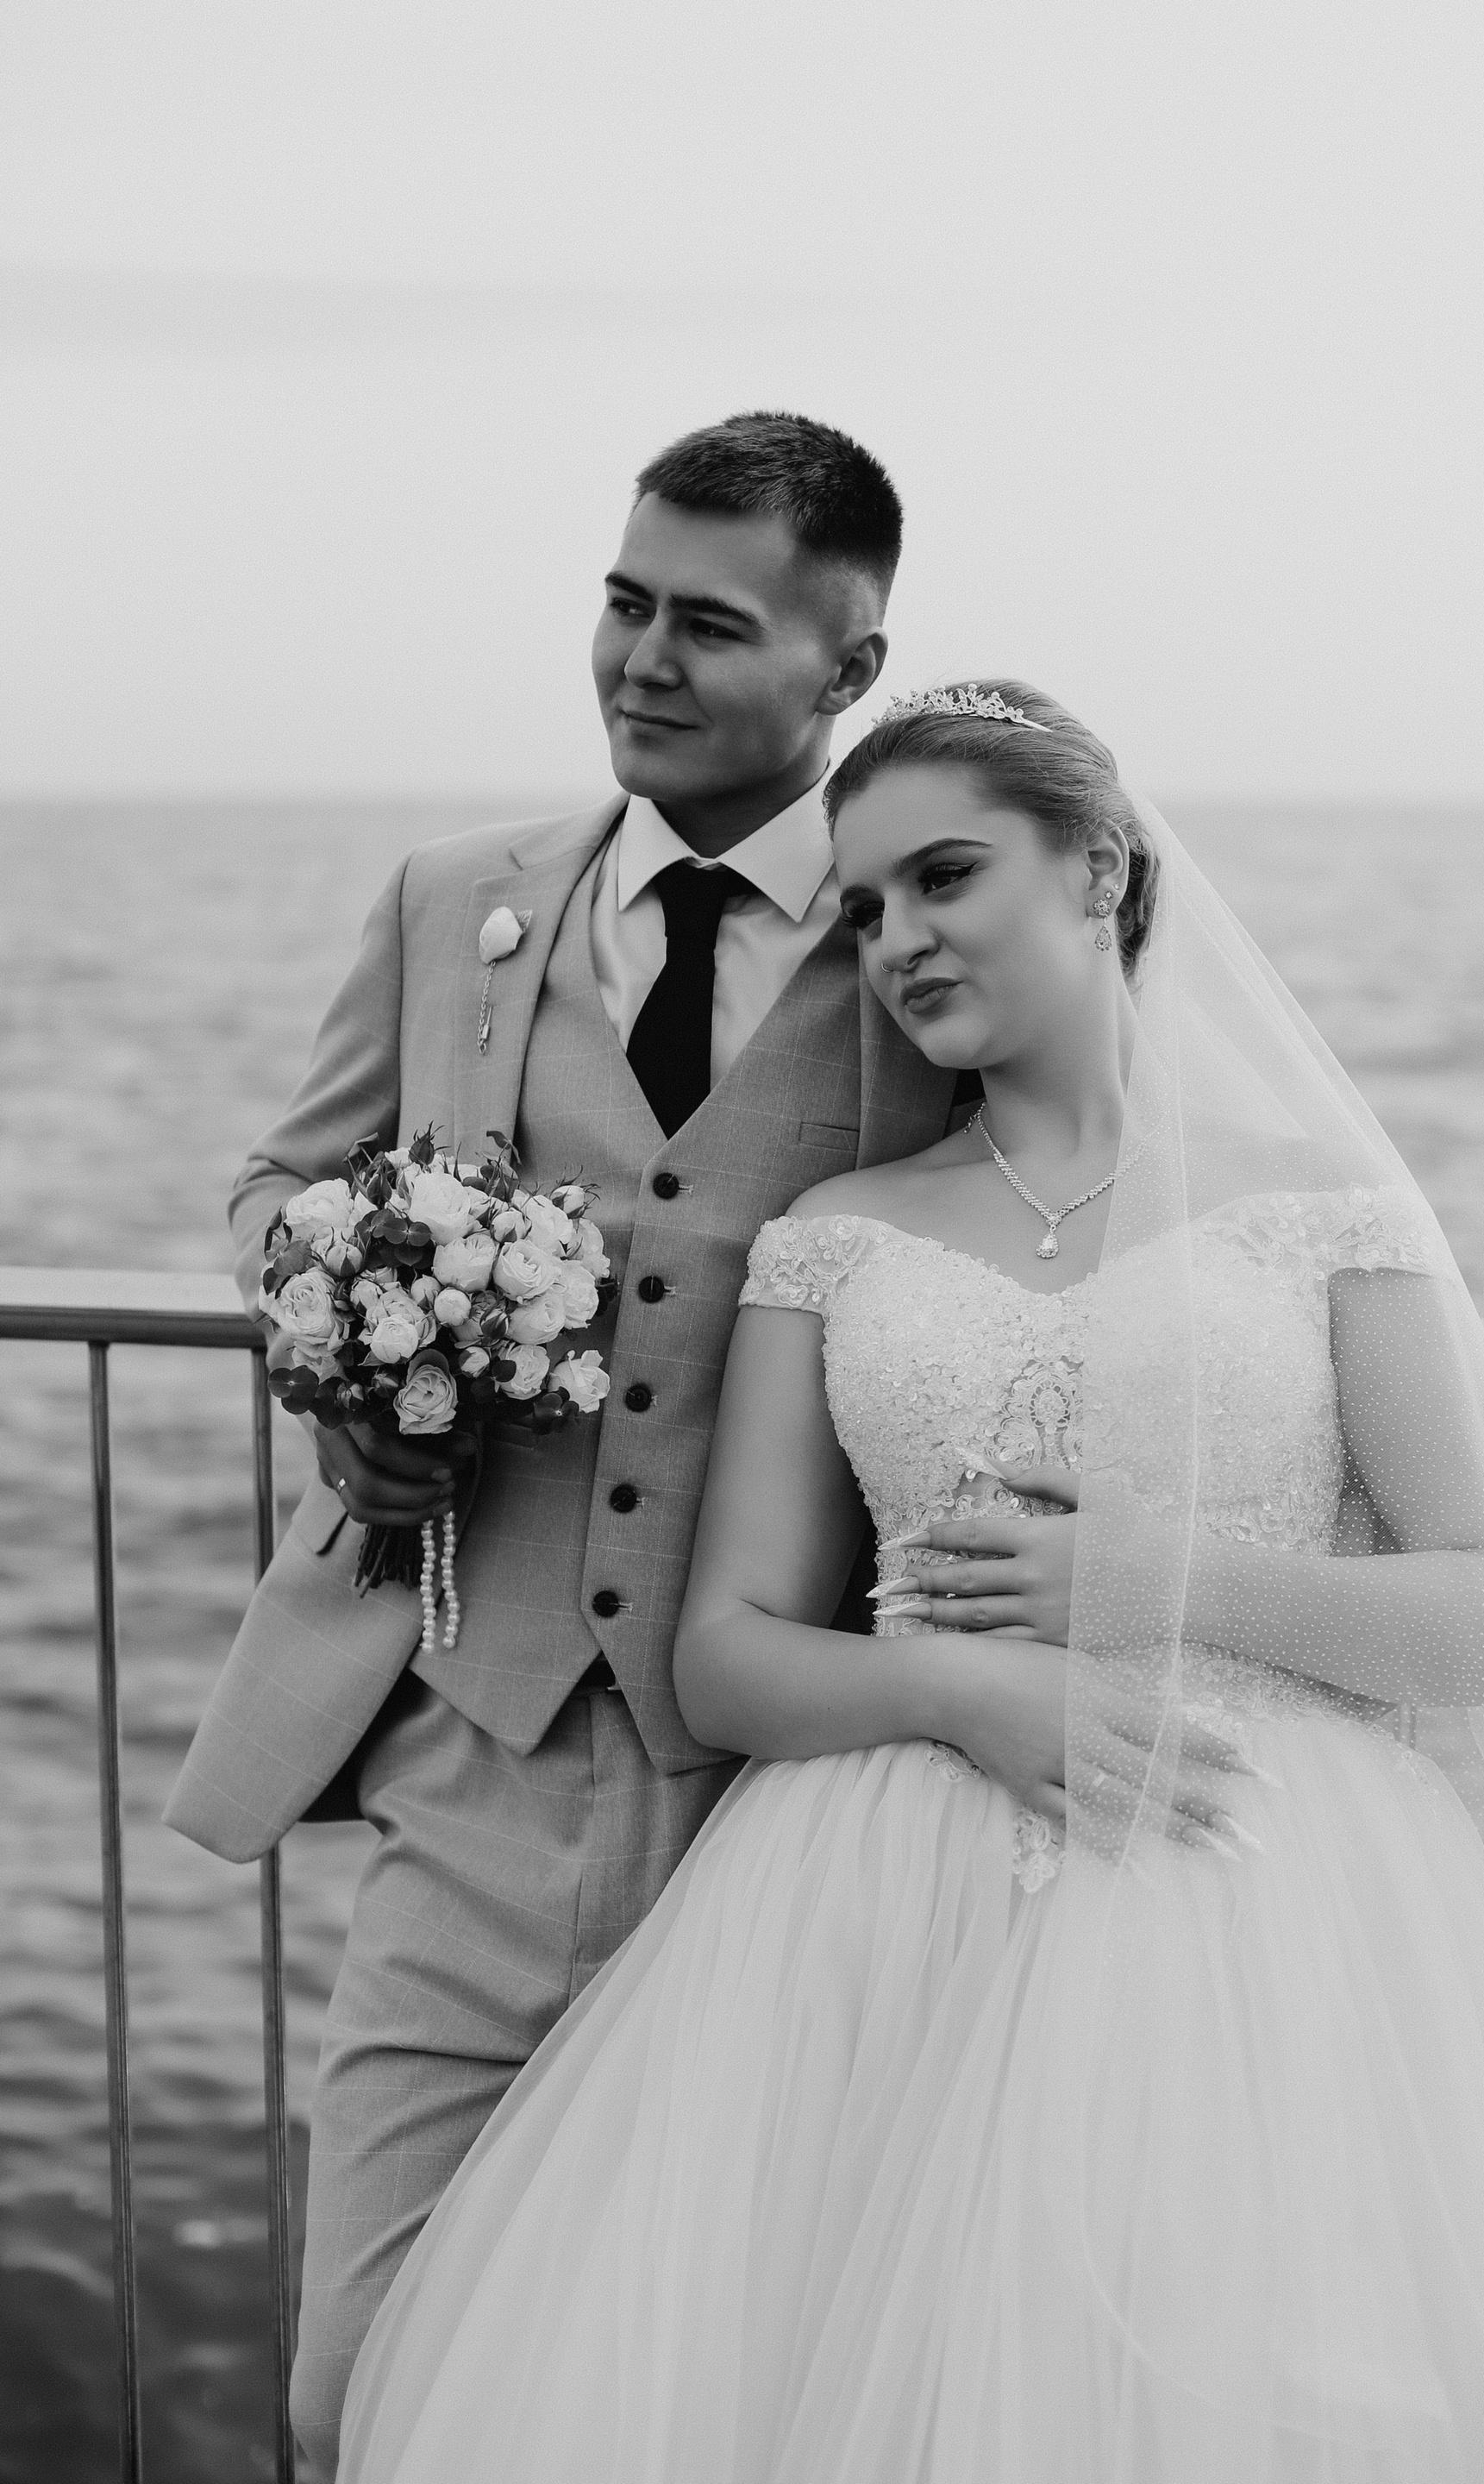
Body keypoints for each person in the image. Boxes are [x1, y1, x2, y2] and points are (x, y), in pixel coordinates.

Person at [339, 681, 1484, 2482]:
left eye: (946, 876)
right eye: (866, 907)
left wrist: (1152, 1582)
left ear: (1101, 869)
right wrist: (961, 1688)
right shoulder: (837, 1236)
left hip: (1270, 1904)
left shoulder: (1328, 1210)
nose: (898, 939)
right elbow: (724, 1655)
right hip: (886, 1902)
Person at [163, 412, 1005, 2476]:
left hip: (786, 1793)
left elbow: (1045, 1239)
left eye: (709, 624)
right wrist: (345, 1356)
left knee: (720, 2387)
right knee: (361, 2387)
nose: (641, 658)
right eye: (624, 603)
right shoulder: (457, 903)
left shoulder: (923, 944)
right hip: (472, 1746)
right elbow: (279, 1186)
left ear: (848, 667)